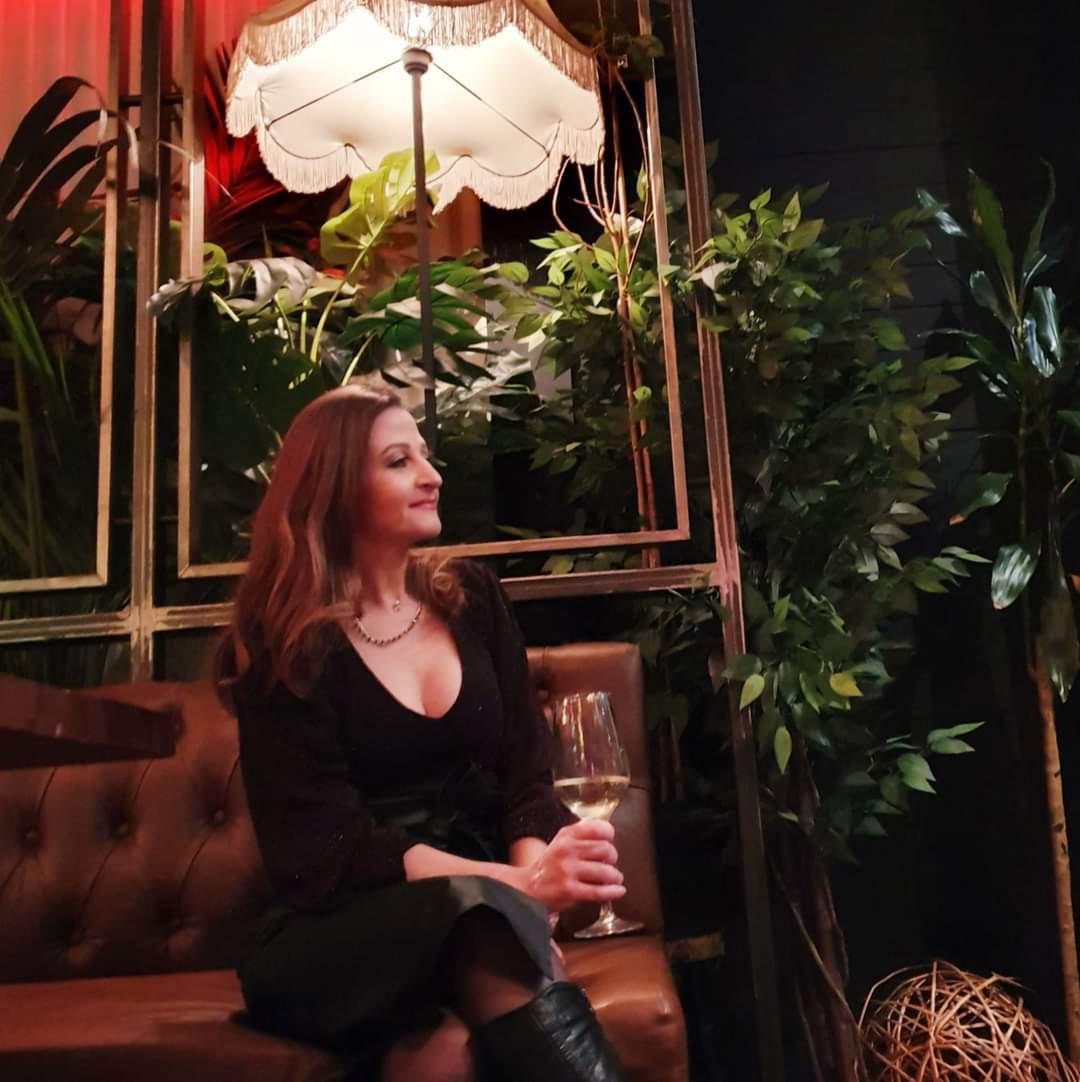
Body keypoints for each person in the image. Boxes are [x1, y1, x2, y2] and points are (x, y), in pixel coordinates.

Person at [216, 382, 628, 1082]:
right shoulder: (283, 642)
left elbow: (526, 779)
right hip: (335, 934)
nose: (432, 475)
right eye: (399, 461)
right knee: (475, 922)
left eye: (425, 455)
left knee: (441, 1055)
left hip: (477, 918)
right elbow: (331, 851)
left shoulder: (474, 600)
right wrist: (516, 889)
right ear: (336, 490)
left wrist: (532, 902)